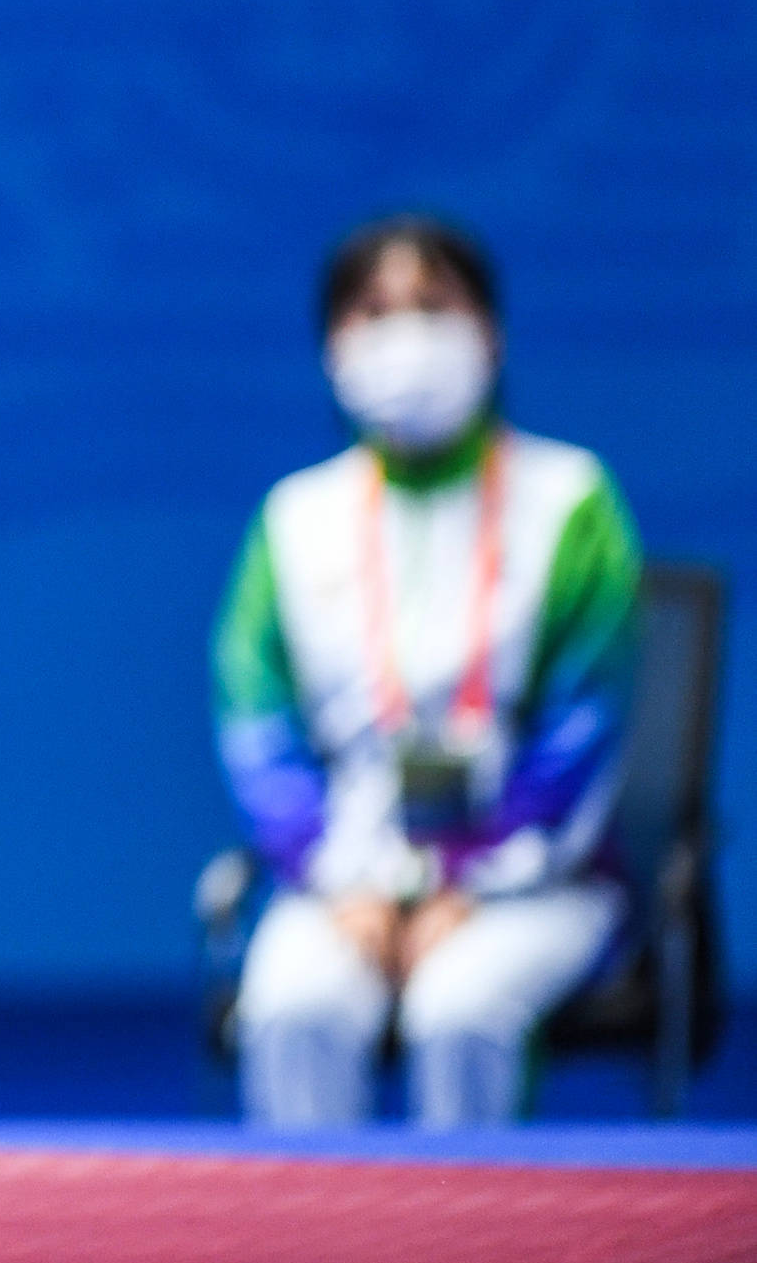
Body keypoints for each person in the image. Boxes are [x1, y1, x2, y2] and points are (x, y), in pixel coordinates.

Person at [217, 215, 643, 1128]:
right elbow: (257, 734)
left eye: (433, 305)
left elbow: (584, 732)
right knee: (294, 1008)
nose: (404, 336)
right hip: (340, 877)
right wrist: (350, 881)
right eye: (375, 311)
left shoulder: (573, 503)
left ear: (488, 332)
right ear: (333, 344)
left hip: (535, 881)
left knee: (460, 1008)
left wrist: (471, 885)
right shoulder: (295, 519)